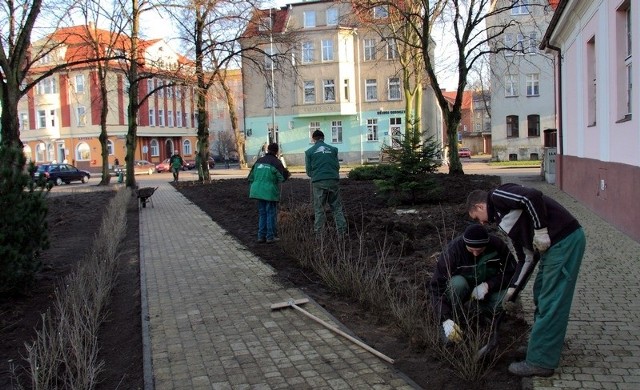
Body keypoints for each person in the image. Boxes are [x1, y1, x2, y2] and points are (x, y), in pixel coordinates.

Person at [466, 183, 585, 377]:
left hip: (564, 241)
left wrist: (540, 231)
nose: (480, 224)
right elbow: (526, 258)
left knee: (551, 300)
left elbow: (531, 196)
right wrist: (513, 290)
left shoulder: (497, 196)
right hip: (553, 248)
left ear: (480, 206)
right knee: (540, 293)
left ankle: (541, 361)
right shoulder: (505, 224)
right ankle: (541, 345)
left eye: (477, 218)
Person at [429, 224, 516, 344]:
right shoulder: (453, 251)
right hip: (460, 293)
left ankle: (477, 311)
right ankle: (454, 320)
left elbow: (512, 272)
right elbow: (436, 287)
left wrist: (488, 285)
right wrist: (444, 318)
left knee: (508, 298)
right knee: (458, 283)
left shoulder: (497, 245)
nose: (475, 254)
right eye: (471, 250)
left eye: (480, 250)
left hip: (485, 294)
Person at [305, 130, 347, 235]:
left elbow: (309, 171)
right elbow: (337, 166)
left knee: (319, 209)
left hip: (318, 182)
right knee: (336, 207)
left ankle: (319, 234)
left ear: (313, 139)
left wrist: (316, 176)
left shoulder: (309, 152)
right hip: (333, 181)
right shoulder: (333, 150)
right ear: (323, 138)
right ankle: (341, 232)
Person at [248, 143, 291, 244]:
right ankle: (270, 237)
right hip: (269, 191)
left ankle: (261, 236)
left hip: (257, 190)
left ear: (268, 150)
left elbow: (250, 177)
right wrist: (287, 174)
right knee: (271, 213)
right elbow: (283, 177)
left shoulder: (259, 161)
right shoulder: (276, 162)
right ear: (276, 151)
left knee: (262, 213)